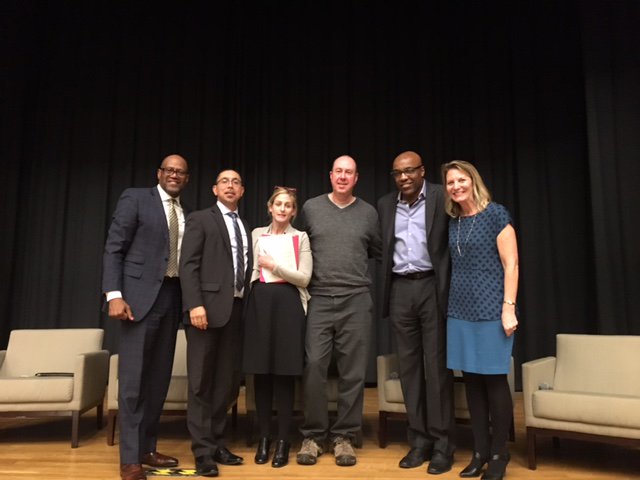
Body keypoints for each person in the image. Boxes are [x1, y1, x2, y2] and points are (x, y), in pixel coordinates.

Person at [102, 154, 190, 480]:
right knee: (133, 384)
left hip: (171, 297)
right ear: (159, 173)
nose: (175, 175)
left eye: (181, 172)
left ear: (186, 178)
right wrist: (114, 294)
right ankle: (129, 460)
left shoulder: (185, 213)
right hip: (136, 301)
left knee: (157, 381)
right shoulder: (136, 198)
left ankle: (147, 449)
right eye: (170, 170)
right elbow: (114, 247)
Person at [295, 155, 382, 467]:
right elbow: (299, 245)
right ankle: (314, 436)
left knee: (353, 372)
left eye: (349, 173)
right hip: (318, 297)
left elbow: (377, 251)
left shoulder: (369, 213)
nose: (343, 177)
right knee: (315, 366)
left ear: (356, 178)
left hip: (356, 299)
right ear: (330, 175)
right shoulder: (311, 208)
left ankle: (344, 436)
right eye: (338, 172)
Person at [377, 151, 456, 475]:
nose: (404, 178)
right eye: (398, 173)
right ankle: (419, 440)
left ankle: (442, 445)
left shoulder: (441, 195)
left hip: (431, 287)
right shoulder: (385, 204)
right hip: (400, 289)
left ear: (422, 171)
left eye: (409, 171)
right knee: (409, 368)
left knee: (436, 368)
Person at [441, 160, 519, 480]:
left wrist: (508, 307)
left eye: (461, 180)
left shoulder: (496, 214)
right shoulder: (454, 221)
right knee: (471, 383)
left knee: (495, 382)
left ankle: (500, 454)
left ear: (473, 180)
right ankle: (480, 451)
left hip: (491, 309)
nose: (456, 186)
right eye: (450, 182)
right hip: (459, 310)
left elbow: (511, 263)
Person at [179, 169, 252, 478]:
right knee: (201, 384)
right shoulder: (201, 219)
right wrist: (195, 304)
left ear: (243, 190)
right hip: (204, 312)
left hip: (236, 311)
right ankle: (203, 452)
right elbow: (188, 264)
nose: (230, 186)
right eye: (224, 181)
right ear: (214, 189)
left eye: (236, 182)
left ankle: (219, 442)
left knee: (226, 383)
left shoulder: (245, 225)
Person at [243, 186, 312, 468]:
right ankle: (264, 437)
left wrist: (275, 265)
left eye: (288, 205)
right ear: (270, 208)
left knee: (284, 373)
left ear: (294, 211)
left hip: (289, 306)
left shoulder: (301, 237)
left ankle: (283, 440)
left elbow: (305, 278)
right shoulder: (256, 234)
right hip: (260, 305)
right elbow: (248, 271)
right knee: (261, 373)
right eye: (278, 204)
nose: (283, 209)